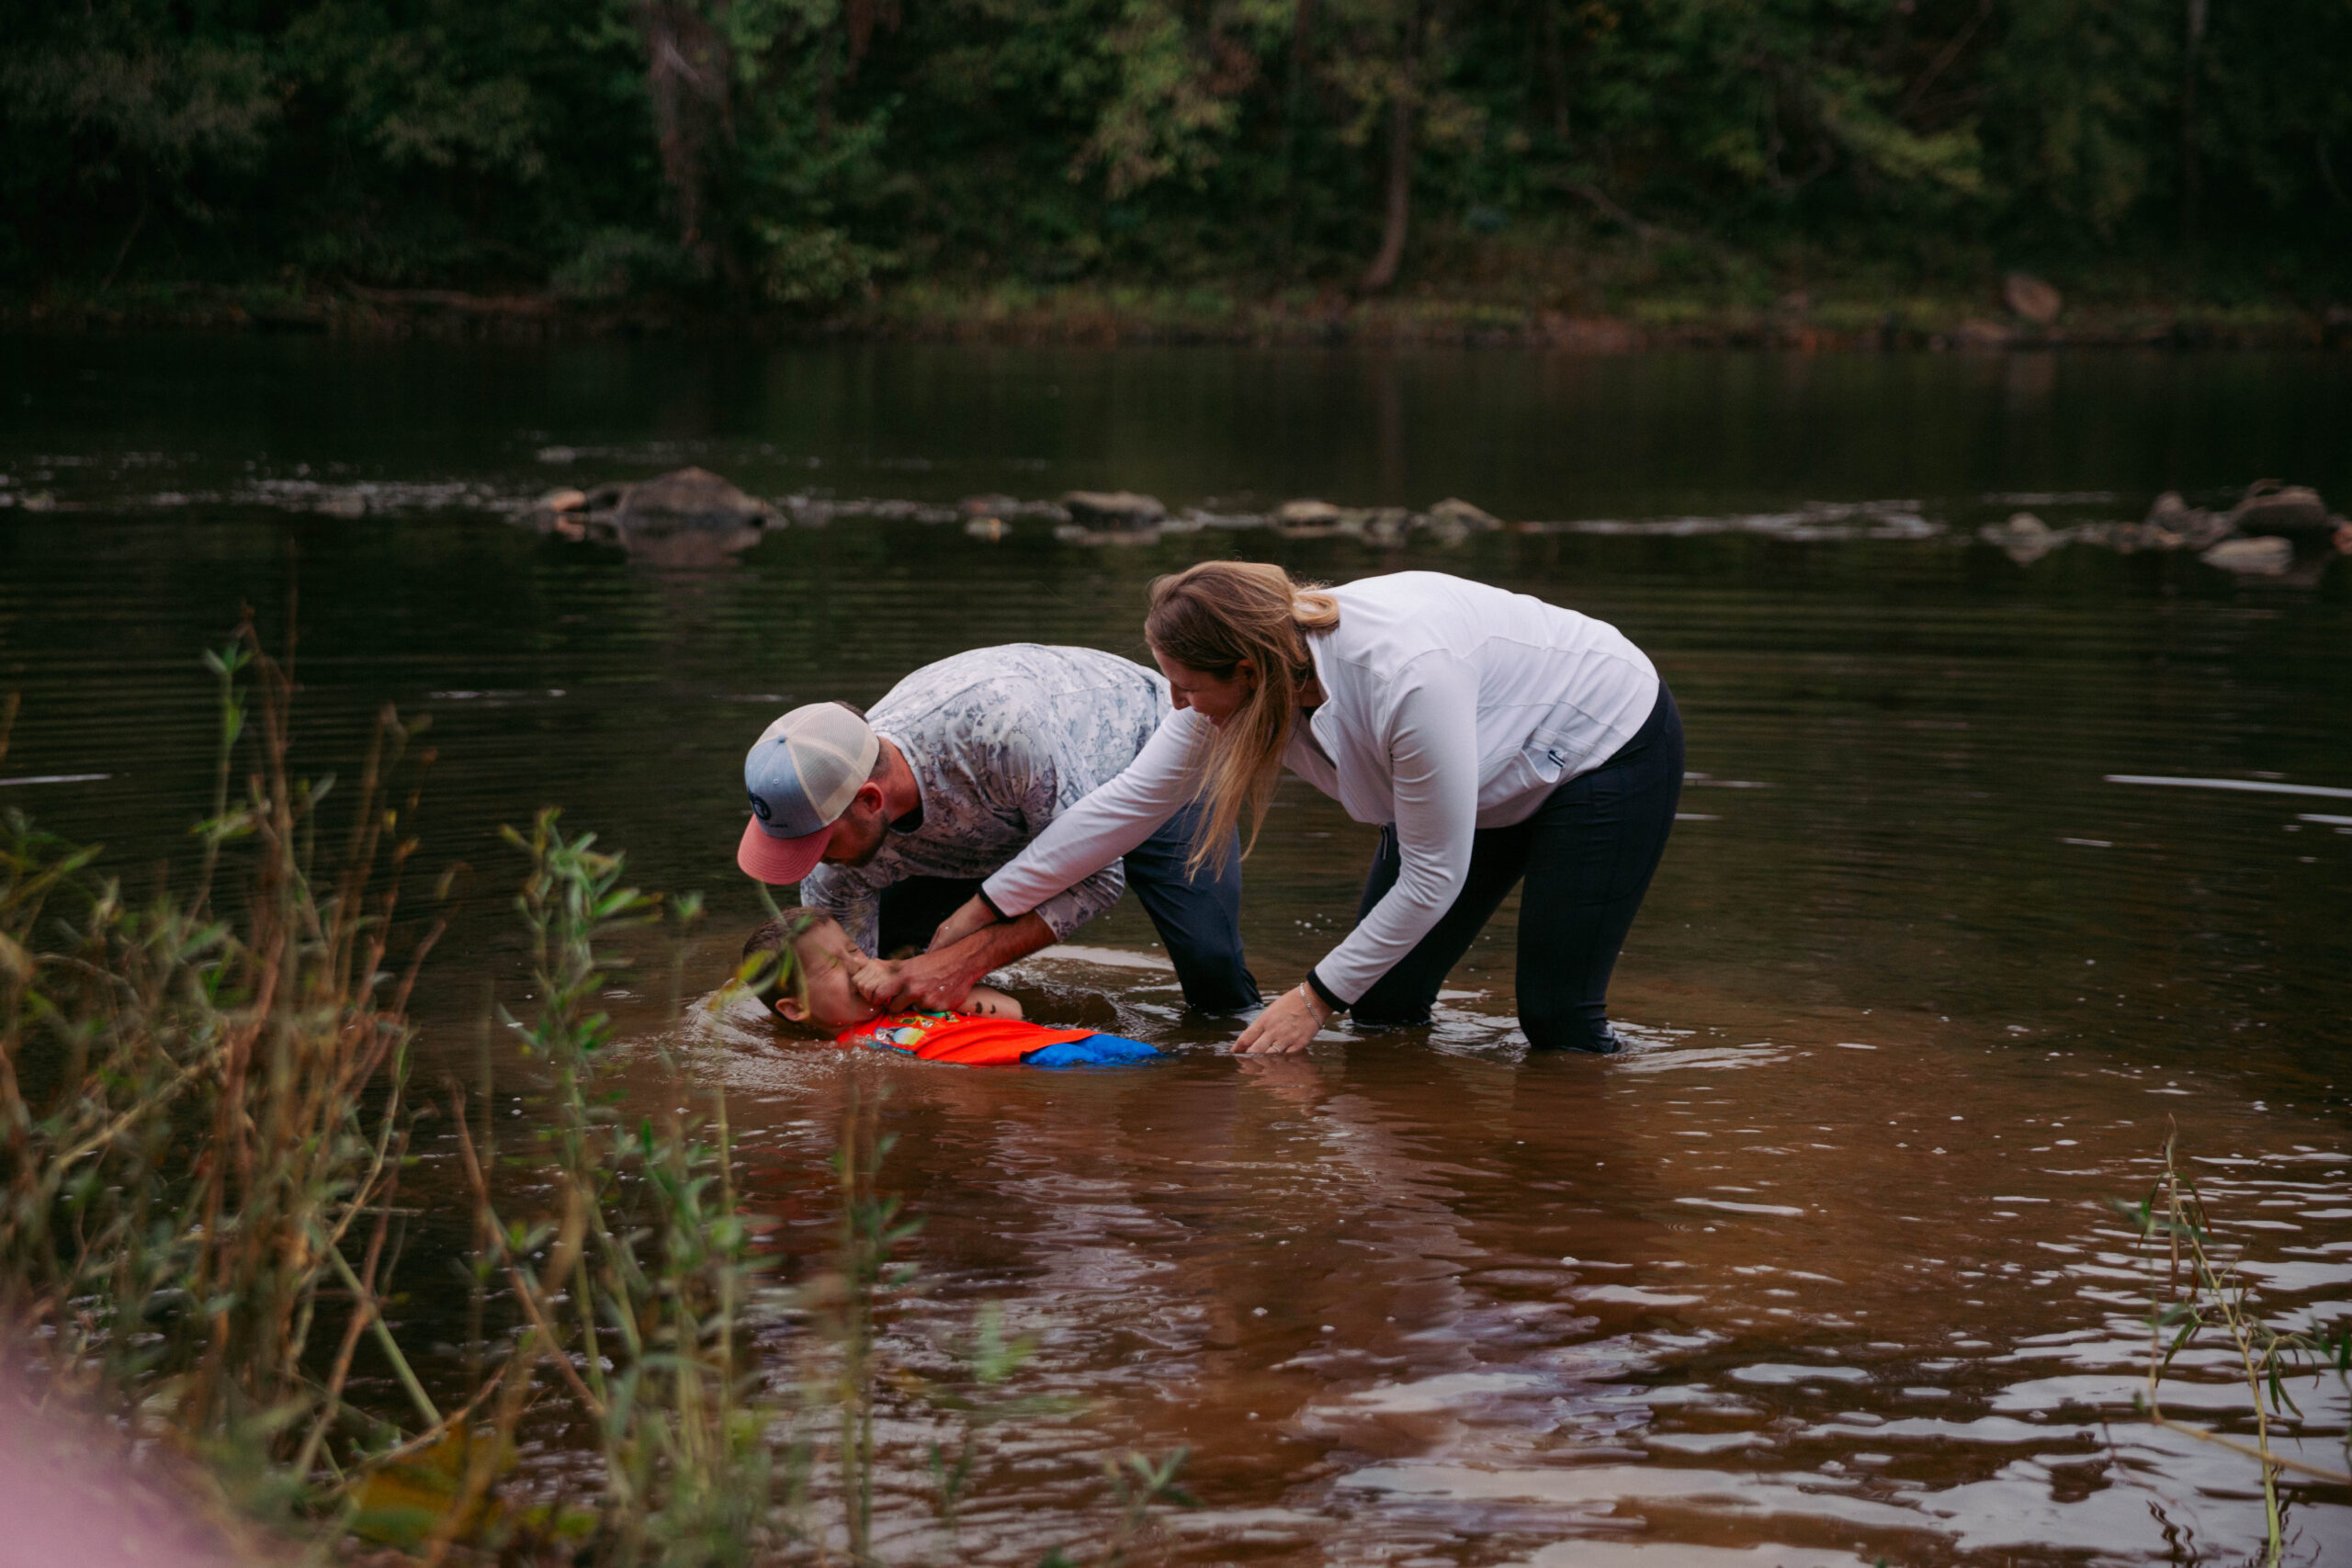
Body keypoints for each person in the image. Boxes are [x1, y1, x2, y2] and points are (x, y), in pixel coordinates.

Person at [926, 565, 1682, 1056]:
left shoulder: (1405, 682)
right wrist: (980, 909)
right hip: (1476, 770)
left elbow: (1431, 877)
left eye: (1187, 688)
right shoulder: (1246, 682)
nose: (1178, 706)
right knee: (1384, 1006)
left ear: (1247, 671)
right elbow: (1128, 804)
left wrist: (1309, 1001)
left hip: (1597, 749)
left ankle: (1579, 1197)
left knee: (1555, 1022)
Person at [733, 645, 1259, 1016]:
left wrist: (956, 964)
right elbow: (849, 996)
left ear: (869, 801)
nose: (813, 865)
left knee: (1214, 977)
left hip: (1151, 758)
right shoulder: (837, 845)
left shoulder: (998, 731)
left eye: (818, 844)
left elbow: (1098, 879)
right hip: (998, 821)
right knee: (888, 960)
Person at [742, 908, 1160, 1067]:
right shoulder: (837, 1055)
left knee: (1156, 1060)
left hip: (1055, 1040)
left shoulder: (917, 995)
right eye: (834, 965)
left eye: (854, 950)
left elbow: (1011, 1010)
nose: (856, 965)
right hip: (1025, 1064)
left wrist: (920, 980)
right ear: (795, 1010)